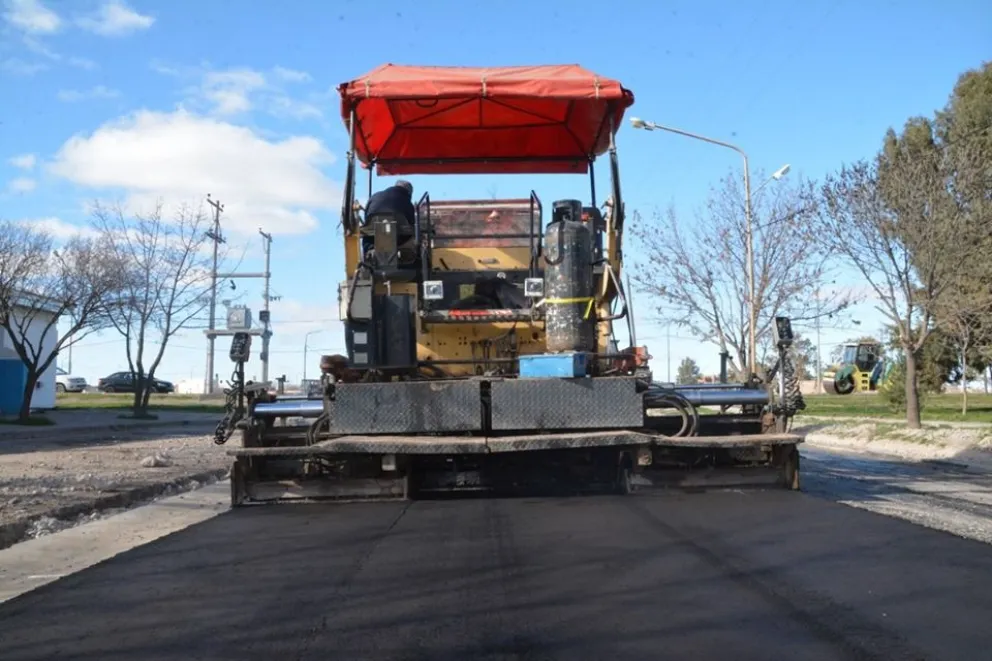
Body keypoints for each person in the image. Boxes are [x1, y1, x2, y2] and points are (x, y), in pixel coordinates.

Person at [364, 180, 417, 263]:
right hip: (398, 240)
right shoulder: (407, 202)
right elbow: (411, 224)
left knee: (366, 234)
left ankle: (369, 253)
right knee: (413, 235)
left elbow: (366, 218)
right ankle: (406, 257)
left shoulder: (375, 196)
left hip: (373, 236)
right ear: (409, 193)